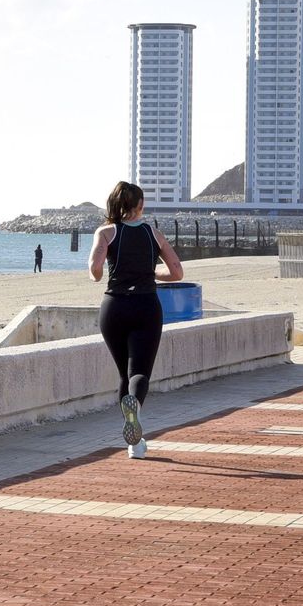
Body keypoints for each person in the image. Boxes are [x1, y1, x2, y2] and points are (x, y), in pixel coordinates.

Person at [86, 181, 184, 459]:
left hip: (114, 307)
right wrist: (152, 275)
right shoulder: (154, 234)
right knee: (139, 372)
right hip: (145, 306)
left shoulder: (106, 232)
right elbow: (177, 272)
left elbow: (94, 270)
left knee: (122, 374)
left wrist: (98, 272)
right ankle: (135, 424)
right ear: (140, 205)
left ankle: (135, 442)